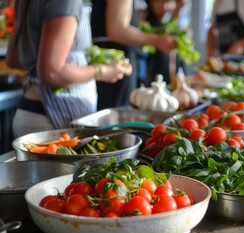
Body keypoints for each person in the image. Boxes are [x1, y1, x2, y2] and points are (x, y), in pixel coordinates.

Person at [6, 0, 133, 138]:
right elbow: (52, 73)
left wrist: (75, 60)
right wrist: (103, 71)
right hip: (51, 120)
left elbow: (14, 58)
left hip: (33, 111)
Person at [91, 0, 177, 110]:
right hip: (114, 63)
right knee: (115, 115)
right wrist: (156, 40)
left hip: (111, 60)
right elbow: (118, 30)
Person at [143, 0, 186, 86]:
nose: (164, 7)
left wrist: (178, 8)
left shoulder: (165, 21)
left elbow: (170, 28)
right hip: (152, 78)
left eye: (167, 2)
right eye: (160, 2)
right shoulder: (147, 23)